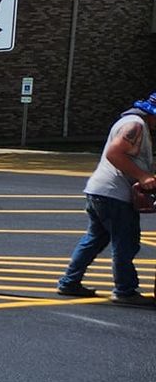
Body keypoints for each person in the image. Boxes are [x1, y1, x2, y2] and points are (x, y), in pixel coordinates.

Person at [57, 95, 156, 302]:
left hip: (99, 191)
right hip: (114, 194)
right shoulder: (135, 125)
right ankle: (124, 290)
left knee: (95, 239)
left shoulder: (131, 122)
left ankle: (69, 282)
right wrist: (142, 175)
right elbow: (114, 153)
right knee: (125, 242)